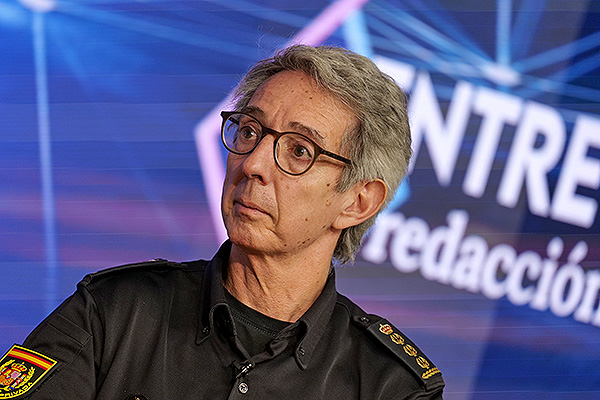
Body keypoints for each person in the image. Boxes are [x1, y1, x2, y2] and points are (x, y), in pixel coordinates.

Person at [1, 45, 444, 399]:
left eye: (299, 151)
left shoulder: (391, 386)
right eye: (249, 131)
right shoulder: (114, 311)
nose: (253, 164)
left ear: (358, 202)